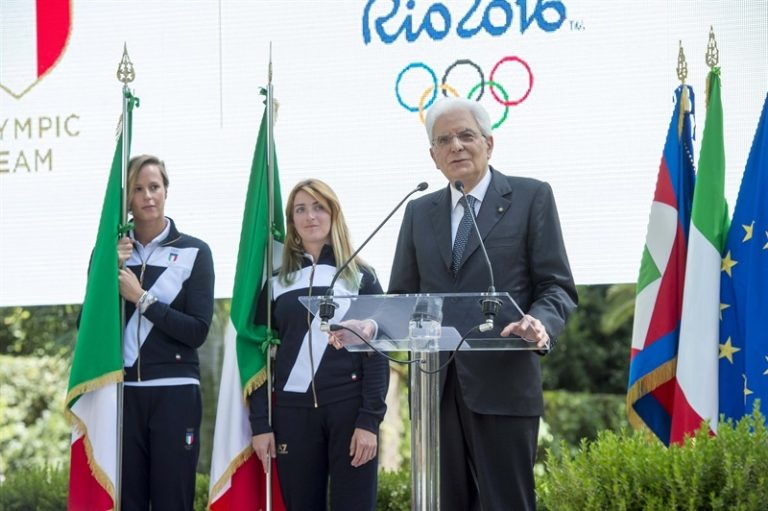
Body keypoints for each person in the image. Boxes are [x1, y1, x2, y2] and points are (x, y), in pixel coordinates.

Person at [388, 97, 578, 510]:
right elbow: (401, 296)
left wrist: (540, 324)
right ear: (433, 156)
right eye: (444, 140)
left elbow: (557, 287)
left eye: (466, 135)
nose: (456, 145)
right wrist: (372, 325)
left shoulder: (530, 197)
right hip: (435, 390)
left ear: (489, 144)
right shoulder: (419, 212)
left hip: (504, 384)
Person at [248, 178, 389, 511]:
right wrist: (260, 424)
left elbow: (379, 352)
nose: (310, 216)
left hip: (349, 410)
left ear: (333, 214)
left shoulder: (361, 276)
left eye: (318, 207)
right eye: (300, 209)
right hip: (292, 416)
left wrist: (369, 422)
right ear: (292, 221)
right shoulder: (275, 282)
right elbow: (258, 354)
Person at [116, 154, 215, 511]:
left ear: (167, 190)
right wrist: (109, 274)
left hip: (175, 393)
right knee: (128, 501)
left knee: (174, 499)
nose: (147, 196)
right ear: (126, 197)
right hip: (122, 394)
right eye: (137, 189)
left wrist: (143, 300)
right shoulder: (111, 253)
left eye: (154, 187)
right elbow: (89, 329)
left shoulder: (195, 252)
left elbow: (197, 331)